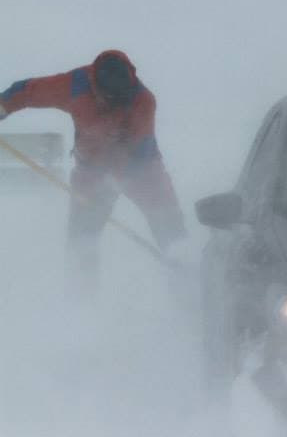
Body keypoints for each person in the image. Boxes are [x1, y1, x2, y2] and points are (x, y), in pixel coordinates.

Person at [0, 50, 186, 297]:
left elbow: (137, 155)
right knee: (82, 240)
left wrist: (108, 184)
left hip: (144, 170)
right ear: (97, 86)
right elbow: (27, 91)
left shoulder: (143, 101)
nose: (112, 104)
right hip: (91, 172)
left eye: (118, 99)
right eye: (108, 99)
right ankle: (81, 301)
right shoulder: (75, 86)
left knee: (170, 229)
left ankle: (187, 286)